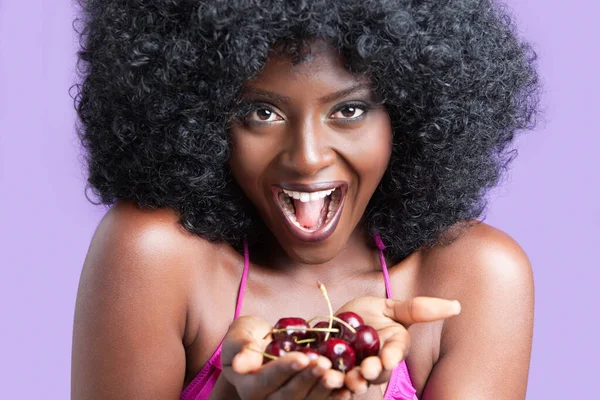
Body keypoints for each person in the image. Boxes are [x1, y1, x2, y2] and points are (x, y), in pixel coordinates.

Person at [71, 0, 539, 399]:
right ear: (205, 120)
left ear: (408, 117)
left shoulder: (474, 277)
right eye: (262, 111)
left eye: (349, 110)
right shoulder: (153, 256)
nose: (308, 157)